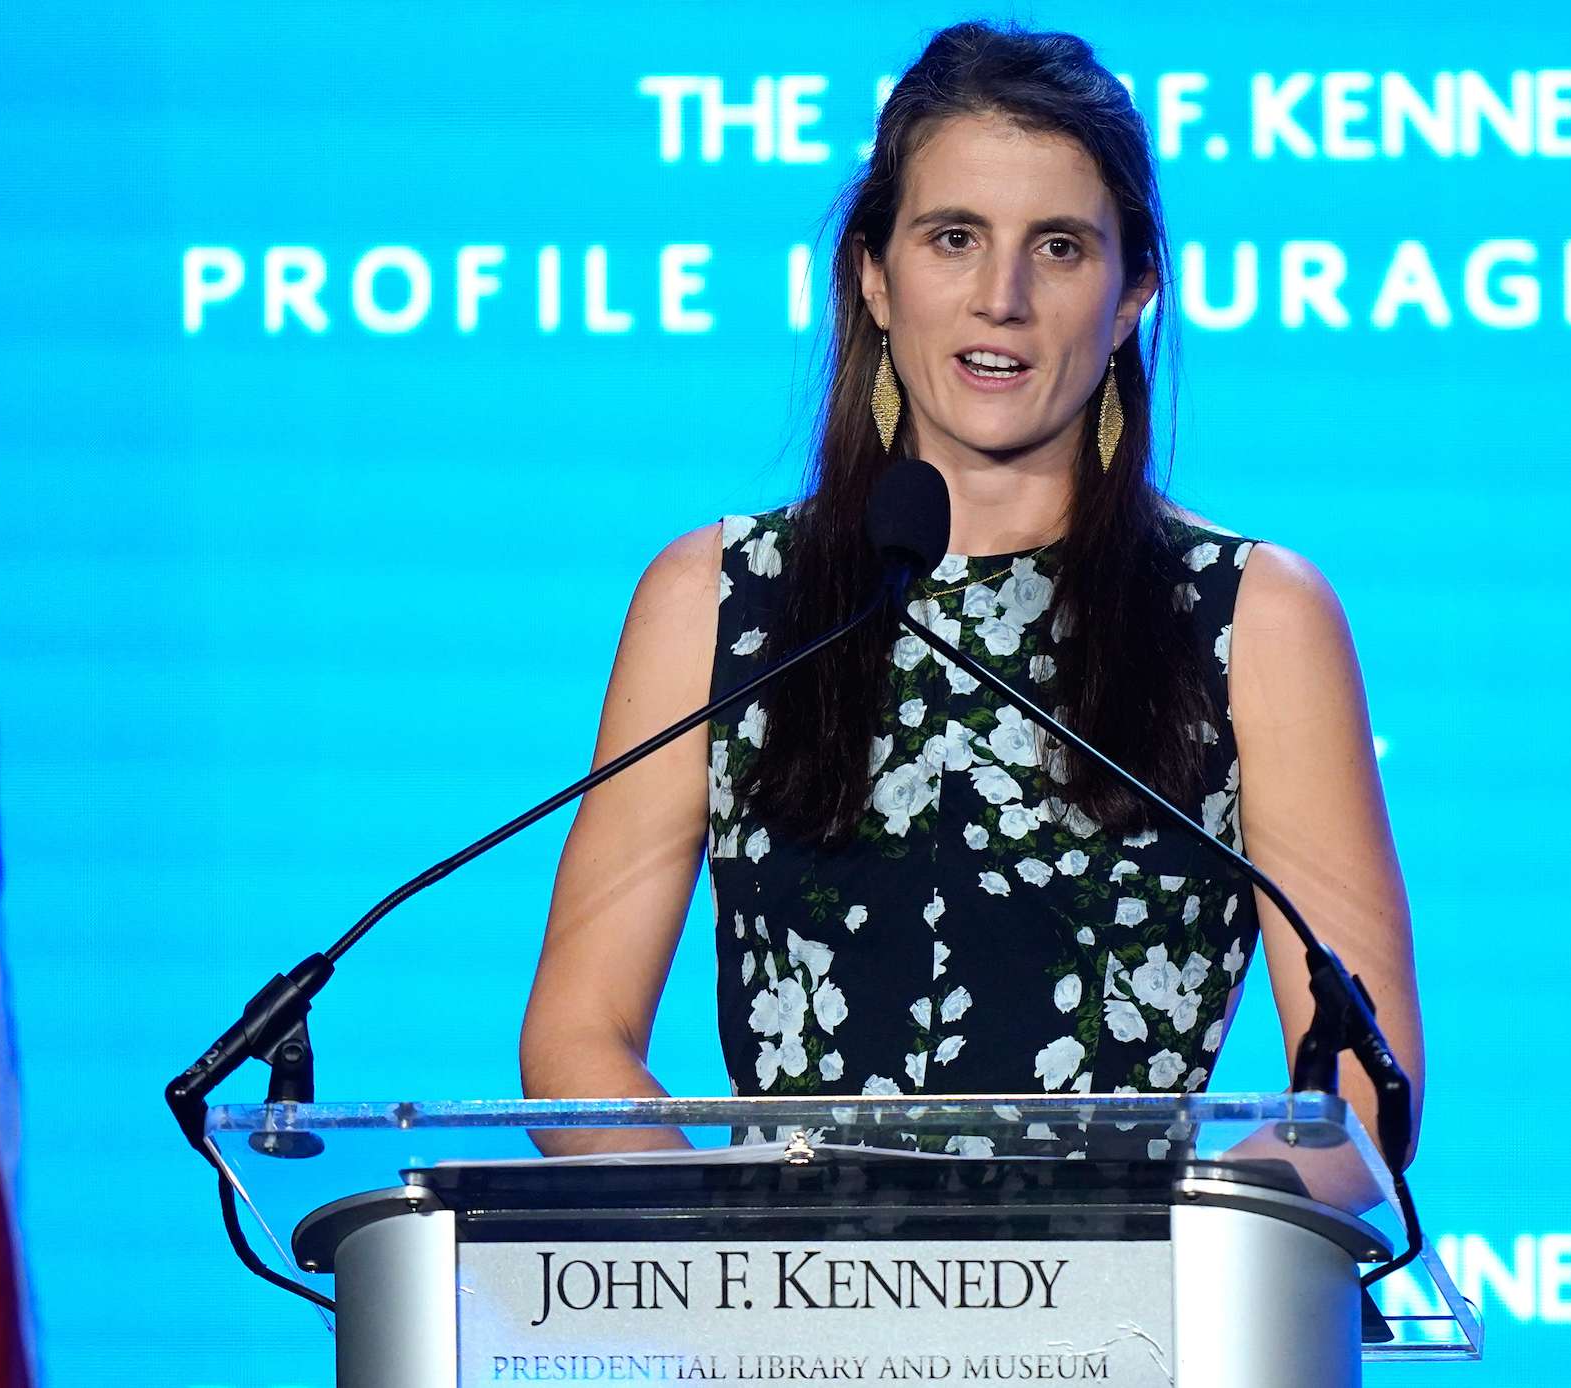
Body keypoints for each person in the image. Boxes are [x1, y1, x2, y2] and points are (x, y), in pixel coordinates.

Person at [519, 22, 1423, 1163]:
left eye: (1056, 247)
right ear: (874, 274)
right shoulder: (716, 598)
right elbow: (575, 1039)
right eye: (953, 237)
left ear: (1133, 289)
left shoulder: (1254, 616)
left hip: (1135, 1326)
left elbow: (1356, 1087)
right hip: (786, 1321)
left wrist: (1179, 1257)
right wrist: (726, 1256)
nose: (1001, 297)